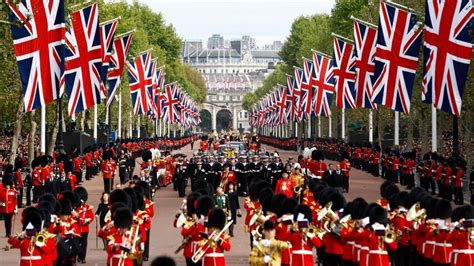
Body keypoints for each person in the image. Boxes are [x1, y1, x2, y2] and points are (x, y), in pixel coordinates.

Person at [74, 187, 94, 264]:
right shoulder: (75, 208)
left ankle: (82, 257)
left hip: (85, 229)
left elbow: (91, 217)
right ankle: (77, 256)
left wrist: (87, 220)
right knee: (76, 244)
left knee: (84, 244)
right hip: (77, 229)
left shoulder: (88, 207)